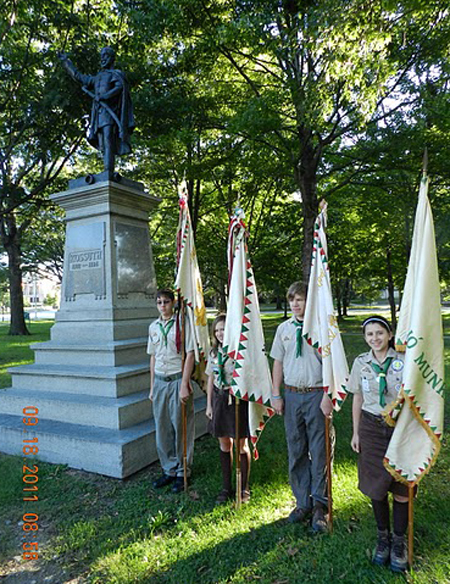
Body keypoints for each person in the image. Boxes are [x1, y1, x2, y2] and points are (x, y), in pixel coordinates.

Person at [270, 281, 333, 533]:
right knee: (296, 448)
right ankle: (302, 501)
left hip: (317, 394)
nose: (296, 304)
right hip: (292, 394)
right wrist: (276, 394)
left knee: (319, 449)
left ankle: (320, 504)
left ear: (309, 302)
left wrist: (329, 394)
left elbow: (331, 364)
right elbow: (277, 363)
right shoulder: (283, 329)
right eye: (292, 300)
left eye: (300, 299)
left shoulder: (321, 329)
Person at [348, 315, 409, 572]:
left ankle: (399, 541)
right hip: (371, 428)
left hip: (400, 428)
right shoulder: (361, 363)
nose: (375, 338)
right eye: (370, 334)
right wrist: (356, 432)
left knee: (401, 486)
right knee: (376, 485)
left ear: (389, 334)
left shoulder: (404, 362)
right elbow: (358, 399)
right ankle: (382, 537)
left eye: (380, 333)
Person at [58, 46, 134, 176]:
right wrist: (66, 62)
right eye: (102, 56)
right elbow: (79, 77)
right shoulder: (97, 77)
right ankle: (106, 169)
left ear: (112, 58)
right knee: (103, 142)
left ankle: (108, 171)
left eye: (106, 55)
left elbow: (120, 87)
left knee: (109, 138)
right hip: (98, 114)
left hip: (110, 112)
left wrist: (105, 96)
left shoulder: (115, 74)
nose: (103, 58)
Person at [147, 289, 195, 493]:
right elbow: (153, 356)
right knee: (163, 427)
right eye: (159, 302)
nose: (163, 306)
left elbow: (191, 353)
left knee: (181, 426)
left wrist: (184, 383)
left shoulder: (182, 324)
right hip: (159, 381)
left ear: (173, 303)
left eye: (166, 302)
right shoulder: (153, 327)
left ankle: (183, 471)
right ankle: (169, 469)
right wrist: (152, 387)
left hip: (177, 380)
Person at [205, 314, 251, 504]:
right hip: (219, 399)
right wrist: (209, 404)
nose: (220, 334)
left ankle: (244, 488)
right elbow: (210, 378)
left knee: (241, 444)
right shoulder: (214, 353)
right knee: (225, 443)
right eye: (217, 330)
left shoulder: (240, 352)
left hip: (237, 400)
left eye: (224, 329)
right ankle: (226, 487)